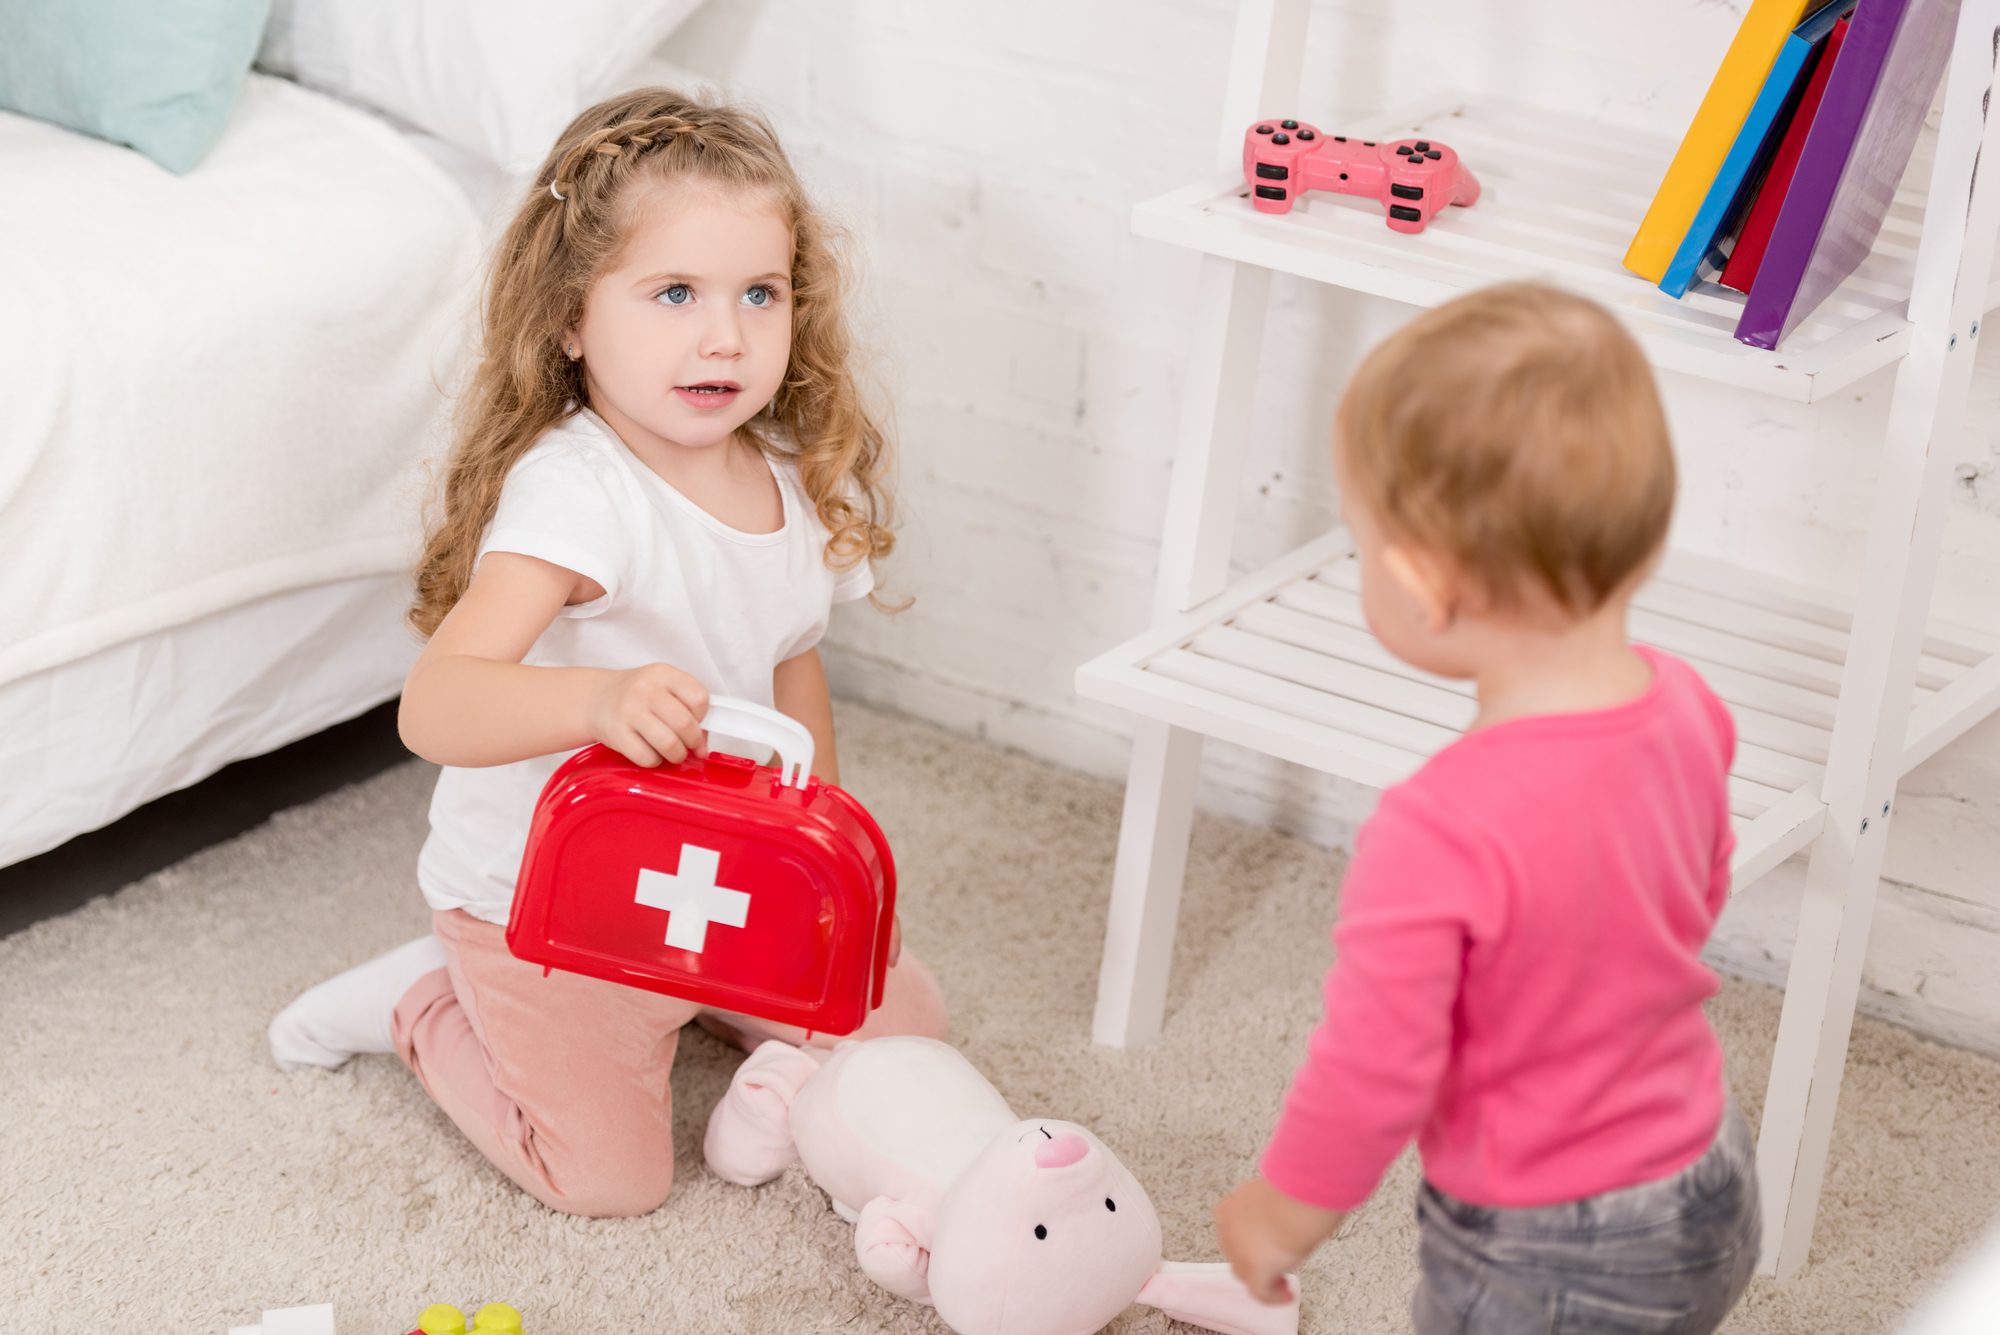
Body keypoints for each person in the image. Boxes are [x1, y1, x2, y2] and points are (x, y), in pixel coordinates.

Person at [266, 89, 948, 1217]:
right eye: (673, 293)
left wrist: (803, 851)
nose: (723, 335)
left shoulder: (789, 481)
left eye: (758, 294)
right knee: (610, 1185)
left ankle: (752, 1051)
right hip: (545, 907)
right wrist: (596, 700)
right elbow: (437, 706)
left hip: (704, 883)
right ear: (573, 319)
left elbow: (790, 663)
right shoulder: (578, 497)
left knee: (904, 1017)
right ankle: (425, 1001)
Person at [1214, 284, 1759, 1333]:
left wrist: (1278, 1215)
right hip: (1707, 1166)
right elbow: (1697, 888)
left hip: (1551, 1243)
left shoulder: (1435, 829)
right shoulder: (1687, 704)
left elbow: (1373, 1070)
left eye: (1358, 543)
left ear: (1419, 584)